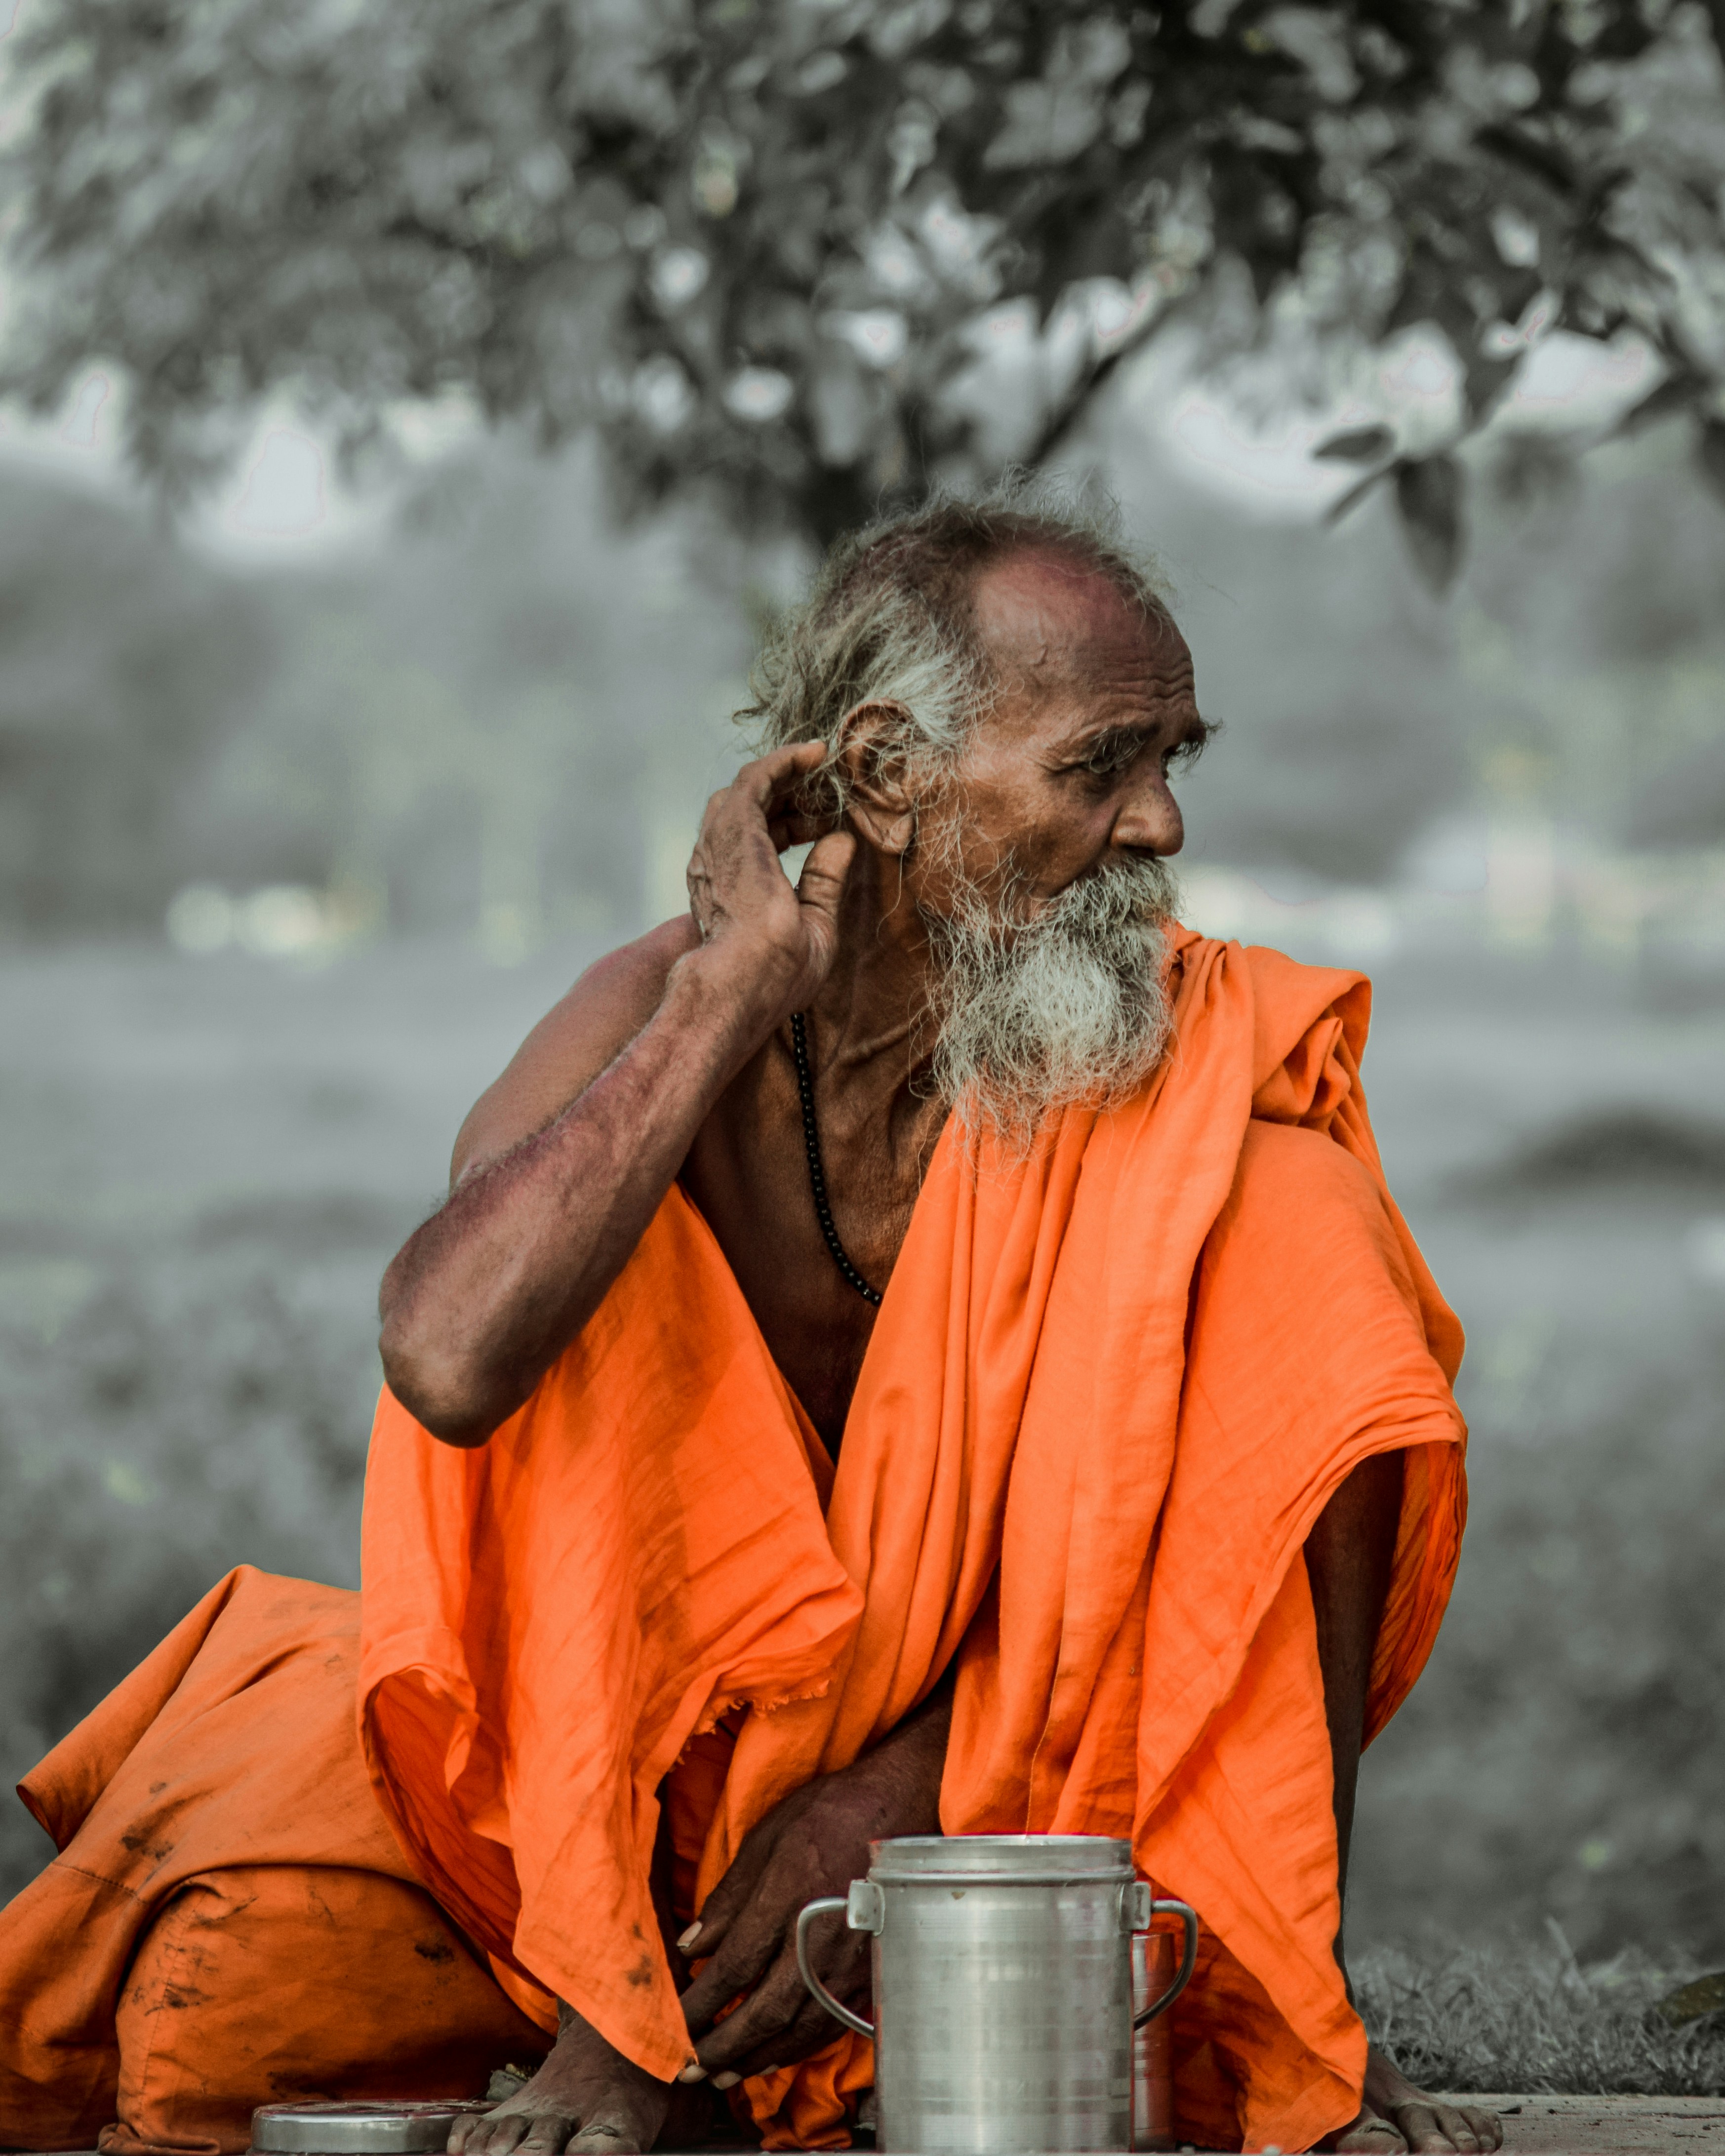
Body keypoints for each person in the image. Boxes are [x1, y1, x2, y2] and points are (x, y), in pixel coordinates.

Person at [0, 493, 1500, 2156]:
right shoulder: (662, 1018)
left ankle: (1296, 2012)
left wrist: (894, 1810)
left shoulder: (1177, 1050)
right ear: (885, 773)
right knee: (582, 1260)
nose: (1158, 828)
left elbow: (1161, 1549)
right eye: (1099, 767)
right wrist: (722, 999)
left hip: (1023, 1811)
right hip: (636, 1807)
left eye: (1174, 763)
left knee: (1306, 1242)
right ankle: (608, 2004)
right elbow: (447, 1357)